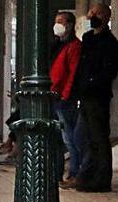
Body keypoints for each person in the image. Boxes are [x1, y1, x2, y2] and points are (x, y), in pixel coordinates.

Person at [65, 3, 118, 192]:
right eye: (91, 12)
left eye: (96, 13)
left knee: (98, 138)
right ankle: (86, 174)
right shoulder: (88, 38)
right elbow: (82, 65)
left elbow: (110, 70)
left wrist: (92, 82)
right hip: (85, 95)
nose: (91, 16)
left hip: (98, 96)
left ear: (105, 17)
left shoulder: (109, 42)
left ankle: (100, 179)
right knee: (82, 136)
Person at [50, 11, 82, 188]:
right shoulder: (58, 44)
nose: (58, 25)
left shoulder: (73, 46)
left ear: (70, 24)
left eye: (61, 22)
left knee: (69, 137)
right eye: (56, 21)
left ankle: (74, 172)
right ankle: (59, 173)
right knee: (60, 138)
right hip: (56, 95)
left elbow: (72, 73)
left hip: (63, 98)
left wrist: (65, 94)